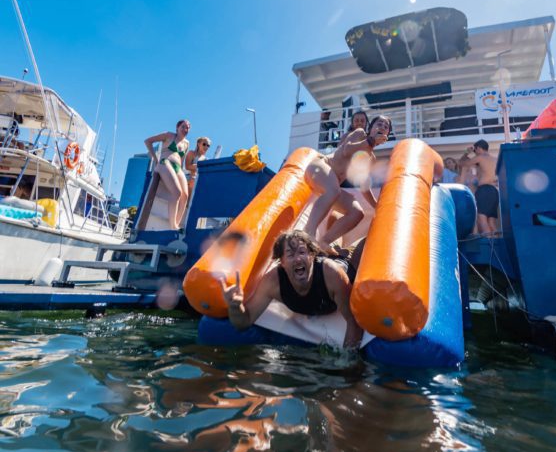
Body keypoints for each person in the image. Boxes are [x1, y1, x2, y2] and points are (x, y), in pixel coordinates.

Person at [219, 229, 364, 348]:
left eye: (302, 252)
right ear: (281, 262)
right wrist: (234, 307)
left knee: (357, 255)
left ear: (312, 255)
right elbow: (244, 322)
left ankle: (348, 248)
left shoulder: (332, 274)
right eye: (290, 254)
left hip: (344, 267)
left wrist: (347, 364)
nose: (298, 259)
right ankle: (337, 243)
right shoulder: (273, 282)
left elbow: (354, 321)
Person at [304, 115, 391, 252]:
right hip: (318, 167)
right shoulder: (360, 134)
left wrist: (377, 206)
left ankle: (324, 242)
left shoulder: (370, 159)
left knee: (357, 213)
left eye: (386, 127)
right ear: (371, 128)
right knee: (334, 191)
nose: (382, 127)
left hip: (331, 186)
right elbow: (346, 150)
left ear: (387, 135)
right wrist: (370, 141)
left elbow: (364, 187)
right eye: (379, 123)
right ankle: (308, 232)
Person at [144, 119, 191, 230]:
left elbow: (182, 159)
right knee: (177, 192)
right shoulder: (168, 135)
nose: (186, 129)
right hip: (165, 162)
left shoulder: (187, 143)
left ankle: (177, 225)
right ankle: (172, 226)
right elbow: (148, 141)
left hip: (178, 167)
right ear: (177, 127)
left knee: (185, 195)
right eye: (183, 126)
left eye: (188, 127)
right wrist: (155, 159)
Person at [458, 139, 499, 235]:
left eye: (475, 150)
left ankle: (488, 248)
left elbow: (462, 164)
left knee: (482, 219)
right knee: (491, 223)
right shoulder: (495, 159)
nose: (475, 153)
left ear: (479, 148)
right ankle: (497, 246)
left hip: (484, 190)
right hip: (494, 191)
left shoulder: (480, 157)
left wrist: (466, 153)